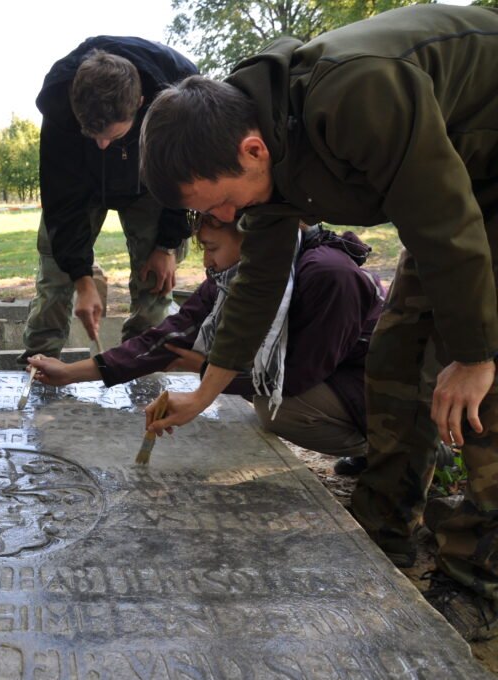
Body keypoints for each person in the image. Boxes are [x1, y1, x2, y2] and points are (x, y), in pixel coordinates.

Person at [138, 4, 498, 639]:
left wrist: (473, 356)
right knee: (396, 357)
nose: (223, 216)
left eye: (220, 201)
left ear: (252, 150)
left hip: (476, 188)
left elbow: (445, 228)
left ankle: (477, 583)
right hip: (455, 195)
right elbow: (258, 283)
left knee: (486, 391)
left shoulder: (358, 95)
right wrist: (206, 391)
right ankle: (387, 529)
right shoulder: (258, 146)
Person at [29, 217, 384, 464]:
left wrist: (205, 371)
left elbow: (292, 380)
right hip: (330, 373)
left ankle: (385, 449)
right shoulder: (236, 272)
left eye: (212, 247)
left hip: (374, 389)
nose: (207, 262)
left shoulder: (327, 275)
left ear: (252, 240)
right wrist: (70, 373)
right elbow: (171, 335)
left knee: (276, 409)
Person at [20, 37, 198, 362]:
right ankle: (39, 363)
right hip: (83, 184)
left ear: (142, 103)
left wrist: (167, 245)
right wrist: (82, 279)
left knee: (156, 282)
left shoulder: (176, 93)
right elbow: (62, 202)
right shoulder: (61, 105)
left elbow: (184, 174)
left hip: (152, 179)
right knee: (55, 275)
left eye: (113, 136)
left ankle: (142, 362)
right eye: (93, 136)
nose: (102, 145)